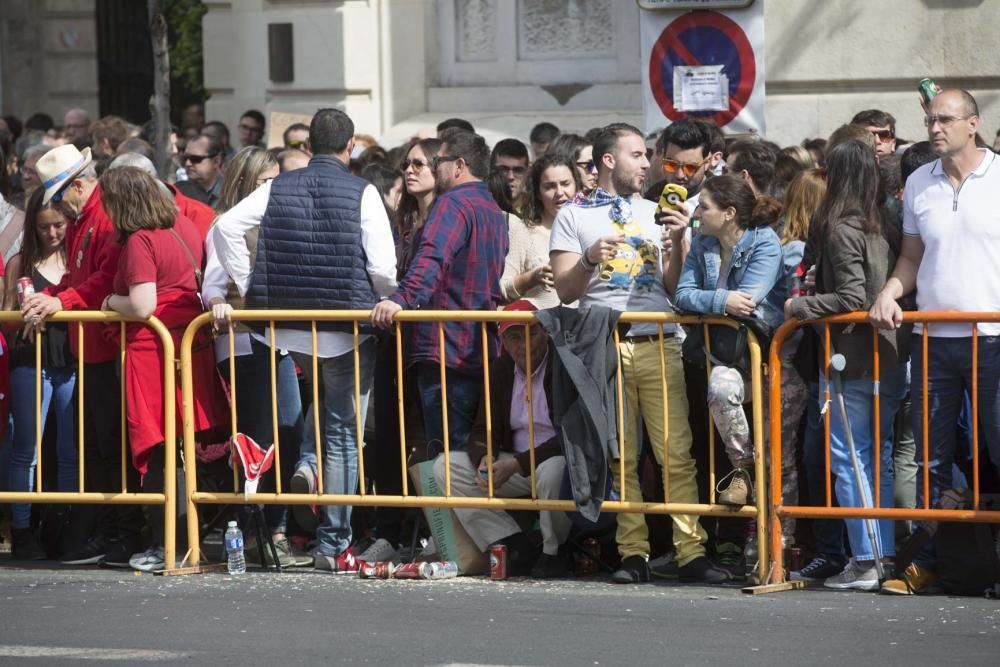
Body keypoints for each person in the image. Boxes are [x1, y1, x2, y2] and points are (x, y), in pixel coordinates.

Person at [214, 108, 397, 574]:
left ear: (308, 145)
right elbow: (383, 270)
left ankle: (308, 476)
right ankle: (333, 543)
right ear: (350, 146)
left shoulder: (278, 186)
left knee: (322, 419)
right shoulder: (364, 191)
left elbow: (225, 227)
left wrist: (251, 285)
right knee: (341, 432)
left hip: (289, 324)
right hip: (346, 327)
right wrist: (379, 297)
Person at [549, 122, 725, 584]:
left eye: (647, 156)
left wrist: (680, 242)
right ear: (609, 161)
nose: (648, 164)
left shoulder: (658, 211)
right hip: (603, 346)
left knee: (677, 454)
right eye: (637, 155)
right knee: (621, 457)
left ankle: (691, 551)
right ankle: (634, 553)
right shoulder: (573, 215)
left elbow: (673, 287)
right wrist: (589, 258)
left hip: (658, 341)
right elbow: (565, 291)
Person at [870, 89, 1000, 595]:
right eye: (929, 119)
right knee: (930, 458)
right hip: (932, 338)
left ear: (973, 124)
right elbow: (911, 258)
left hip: (992, 337)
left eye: (945, 119)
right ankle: (926, 561)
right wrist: (889, 292)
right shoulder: (918, 181)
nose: (934, 127)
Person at [786, 140, 908, 591]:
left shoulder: (841, 226)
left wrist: (799, 306)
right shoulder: (886, 221)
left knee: (851, 457)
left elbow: (853, 298)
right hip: (888, 355)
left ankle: (866, 557)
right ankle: (882, 555)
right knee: (877, 458)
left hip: (852, 359)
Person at [97, 167, 228, 572]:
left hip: (156, 353)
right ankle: (186, 541)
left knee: (161, 449)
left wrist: (107, 304)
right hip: (188, 348)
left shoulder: (139, 240)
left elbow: (142, 305)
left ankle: (165, 545)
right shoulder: (183, 226)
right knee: (185, 447)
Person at [22, 144, 141, 567]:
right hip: (88, 348)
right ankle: (108, 532)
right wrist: (51, 296)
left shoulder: (104, 216)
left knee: (111, 448)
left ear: (76, 186)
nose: (56, 209)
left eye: (57, 197)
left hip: (107, 349)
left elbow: (103, 282)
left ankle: (123, 534)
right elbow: (80, 279)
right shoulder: (82, 221)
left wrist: (59, 300)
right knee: (96, 448)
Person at [202, 146, 309, 568]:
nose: (273, 190)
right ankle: (255, 533)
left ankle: (277, 531)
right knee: (259, 440)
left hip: (279, 342)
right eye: (266, 183)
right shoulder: (223, 226)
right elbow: (211, 285)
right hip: (244, 343)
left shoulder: (277, 222)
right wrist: (217, 304)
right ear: (247, 183)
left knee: (289, 432)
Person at [371, 128, 507, 455]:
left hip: (446, 349)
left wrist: (398, 300)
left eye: (437, 161)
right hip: (479, 348)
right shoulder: (492, 208)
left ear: (458, 165)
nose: (434, 167)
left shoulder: (453, 204)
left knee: (448, 459)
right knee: (464, 456)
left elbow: (431, 258)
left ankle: (455, 509)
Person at [434, 300, 571, 578]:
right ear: (503, 342)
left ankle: (553, 552)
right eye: (514, 337)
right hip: (515, 465)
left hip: (551, 460)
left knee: (553, 472)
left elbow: (569, 436)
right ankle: (512, 543)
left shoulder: (562, 365)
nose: (525, 345)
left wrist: (518, 464)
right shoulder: (500, 369)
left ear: (545, 333)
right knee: (445, 467)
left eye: (531, 334)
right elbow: (483, 429)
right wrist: (486, 458)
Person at [356, 137, 443, 565]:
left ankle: (439, 531)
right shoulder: (399, 220)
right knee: (389, 437)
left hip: (434, 343)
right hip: (395, 343)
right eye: (407, 164)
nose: (410, 171)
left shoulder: (448, 217)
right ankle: (389, 529)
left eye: (420, 164)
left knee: (436, 439)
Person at [675, 175, 783, 507]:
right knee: (720, 387)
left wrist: (713, 301)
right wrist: (722, 303)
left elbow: (748, 302)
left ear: (729, 213)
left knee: (783, 462)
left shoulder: (764, 242)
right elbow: (682, 295)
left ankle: (780, 541)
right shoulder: (702, 242)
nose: (696, 212)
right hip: (718, 357)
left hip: (765, 360)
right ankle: (743, 468)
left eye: (703, 206)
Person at [3, 189, 76, 561]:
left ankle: (64, 525)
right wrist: (22, 317)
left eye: (59, 225)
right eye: (44, 226)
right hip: (30, 361)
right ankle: (22, 527)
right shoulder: (20, 262)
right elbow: (7, 314)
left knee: (68, 452)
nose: (52, 233)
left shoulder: (77, 261)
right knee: (26, 450)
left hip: (69, 361)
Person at [500, 153, 581, 308]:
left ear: (576, 186)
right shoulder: (523, 230)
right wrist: (532, 278)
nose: (559, 192)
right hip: (538, 330)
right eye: (549, 186)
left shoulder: (589, 230)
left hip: (586, 329)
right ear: (537, 193)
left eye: (565, 184)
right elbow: (502, 289)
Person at [183, 134, 225, 206]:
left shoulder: (230, 195)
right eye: (185, 158)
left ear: (216, 161)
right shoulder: (180, 191)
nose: (188, 163)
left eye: (195, 159)